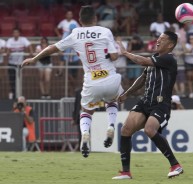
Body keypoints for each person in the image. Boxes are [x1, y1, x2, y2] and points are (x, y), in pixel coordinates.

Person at [21, 6, 124, 158]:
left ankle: (84, 134)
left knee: (86, 111)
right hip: (110, 77)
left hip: (91, 80)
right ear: (95, 19)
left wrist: (34, 58)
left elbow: (52, 48)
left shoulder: (75, 33)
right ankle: (110, 126)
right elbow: (115, 57)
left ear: (80, 21)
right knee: (112, 101)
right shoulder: (105, 31)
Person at [112, 31, 183, 179]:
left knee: (149, 130)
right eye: (158, 38)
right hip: (145, 102)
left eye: (162, 39)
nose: (158, 41)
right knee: (125, 130)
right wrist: (126, 93)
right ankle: (126, 172)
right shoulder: (154, 59)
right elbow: (142, 78)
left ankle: (175, 165)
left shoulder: (169, 59)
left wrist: (125, 53)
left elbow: (143, 61)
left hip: (161, 104)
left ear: (170, 45)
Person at [6, 28, 33, 99]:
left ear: (19, 33)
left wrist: (31, 51)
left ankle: (18, 94)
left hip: (20, 64)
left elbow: (29, 45)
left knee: (19, 79)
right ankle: (13, 94)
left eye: (17, 32)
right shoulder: (10, 40)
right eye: (14, 33)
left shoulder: (23, 39)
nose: (15, 34)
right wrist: (8, 52)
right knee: (12, 79)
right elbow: (8, 49)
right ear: (12, 34)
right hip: (11, 63)